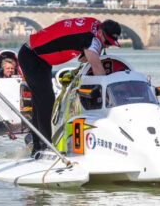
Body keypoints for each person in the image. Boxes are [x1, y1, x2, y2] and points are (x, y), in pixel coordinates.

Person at [18, 17, 121, 156]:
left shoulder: (95, 25)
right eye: (107, 42)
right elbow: (97, 69)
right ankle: (45, 146)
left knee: (41, 101)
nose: (108, 46)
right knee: (46, 101)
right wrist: (111, 98)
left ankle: (38, 144)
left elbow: (81, 53)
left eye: (111, 44)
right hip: (31, 56)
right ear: (101, 33)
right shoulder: (92, 40)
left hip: (41, 58)